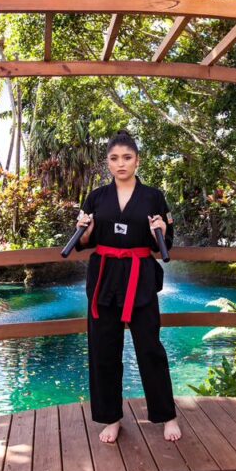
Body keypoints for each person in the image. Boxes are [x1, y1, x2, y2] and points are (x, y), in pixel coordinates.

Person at [73, 129, 181, 444]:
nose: (121, 164)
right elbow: (82, 241)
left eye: (127, 157)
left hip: (140, 277)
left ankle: (166, 414)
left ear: (137, 160)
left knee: (150, 349)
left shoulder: (153, 196)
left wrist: (160, 229)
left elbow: (165, 245)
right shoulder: (96, 197)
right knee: (104, 350)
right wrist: (86, 231)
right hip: (104, 277)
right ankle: (111, 417)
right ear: (107, 162)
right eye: (114, 158)